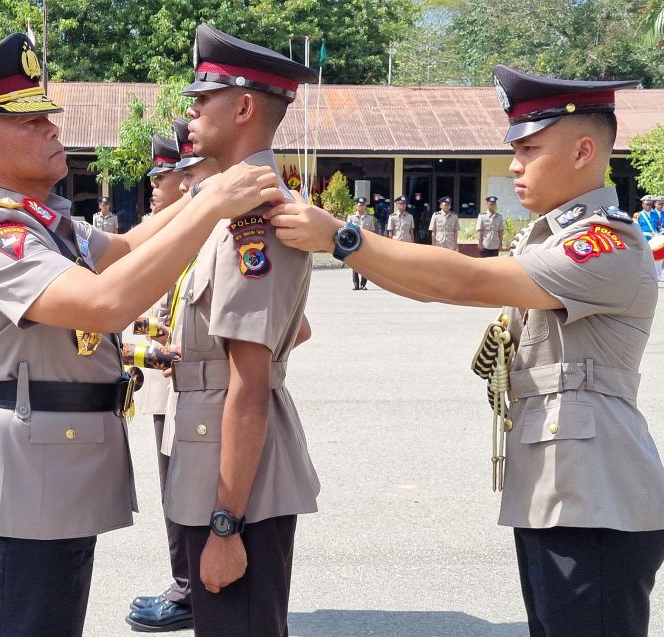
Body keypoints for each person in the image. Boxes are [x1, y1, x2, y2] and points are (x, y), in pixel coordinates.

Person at [268, 64, 664, 637]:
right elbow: (435, 288)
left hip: (597, 496)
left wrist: (341, 237)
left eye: (529, 149)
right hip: (563, 491)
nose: (515, 166)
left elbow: (463, 282)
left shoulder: (604, 242)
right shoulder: (550, 236)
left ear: (583, 151)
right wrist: (350, 250)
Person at [0, 32, 281, 637]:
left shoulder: (45, 222)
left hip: (49, 483)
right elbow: (107, 304)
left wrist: (205, 191)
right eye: (31, 124)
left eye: (47, 119)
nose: (53, 130)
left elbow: (131, 247)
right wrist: (213, 205)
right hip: (17, 492)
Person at [160, 23, 320, 637]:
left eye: (204, 100)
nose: (191, 112)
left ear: (245, 107)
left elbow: (249, 385)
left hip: (240, 485)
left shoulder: (256, 219)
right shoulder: (226, 210)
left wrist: (227, 524)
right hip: (217, 460)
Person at [126, 130, 194, 633]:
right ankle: (185, 582)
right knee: (173, 489)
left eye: (164, 177)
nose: (155, 186)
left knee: (186, 489)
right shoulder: (158, 229)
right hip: (159, 373)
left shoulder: (201, 232)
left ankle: (188, 590)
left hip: (187, 375)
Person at [347, 196, 377, 290]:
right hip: (354, 243)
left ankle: (363, 284)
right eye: (360, 205)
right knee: (354, 264)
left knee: (365, 265)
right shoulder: (351, 217)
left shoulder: (370, 218)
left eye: (363, 205)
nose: (361, 207)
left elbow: (372, 232)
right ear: (356, 206)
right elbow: (347, 230)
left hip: (366, 244)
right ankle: (356, 284)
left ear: (365, 206)